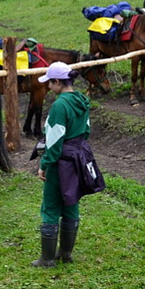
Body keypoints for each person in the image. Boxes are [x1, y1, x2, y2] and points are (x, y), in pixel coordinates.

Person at [32, 61, 100, 267]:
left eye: (50, 83)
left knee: (51, 206)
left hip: (60, 161)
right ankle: (65, 253)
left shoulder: (60, 105)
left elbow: (54, 139)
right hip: (77, 158)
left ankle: (47, 258)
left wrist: (45, 164)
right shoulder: (82, 100)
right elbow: (86, 130)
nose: (48, 87)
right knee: (71, 202)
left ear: (57, 82)